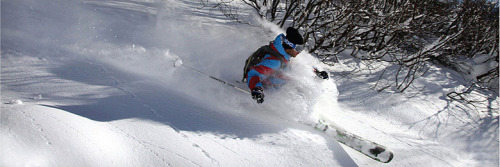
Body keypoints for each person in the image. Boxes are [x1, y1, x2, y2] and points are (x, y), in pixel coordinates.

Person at [244, 27, 329, 104]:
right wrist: (257, 89)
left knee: (298, 78)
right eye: (298, 48)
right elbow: (253, 74)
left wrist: (317, 72)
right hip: (267, 89)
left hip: (278, 83)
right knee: (298, 84)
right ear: (290, 45)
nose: (300, 52)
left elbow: (302, 66)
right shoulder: (274, 61)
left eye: (302, 48)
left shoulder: (285, 54)